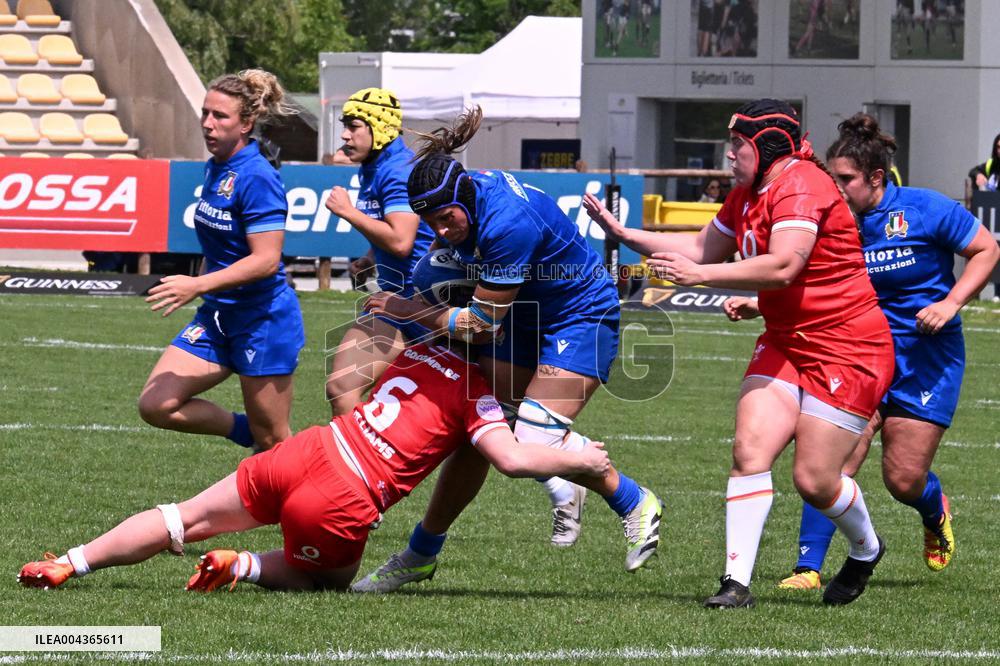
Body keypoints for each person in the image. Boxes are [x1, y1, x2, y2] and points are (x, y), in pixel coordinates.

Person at [17, 266, 614, 593]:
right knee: (330, 576)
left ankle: (72, 561)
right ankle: (243, 566)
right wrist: (582, 462)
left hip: (309, 450)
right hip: (343, 497)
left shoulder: (416, 350)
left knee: (182, 516)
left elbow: (358, 368)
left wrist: (396, 311)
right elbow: (510, 459)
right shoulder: (479, 397)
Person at [584, 99, 896, 608]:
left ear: (768, 145)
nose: (728, 154)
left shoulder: (800, 182)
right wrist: (623, 234)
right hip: (786, 340)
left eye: (736, 144)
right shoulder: (750, 192)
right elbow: (703, 248)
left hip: (847, 346)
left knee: (814, 481)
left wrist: (705, 279)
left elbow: (784, 266)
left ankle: (866, 548)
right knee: (749, 452)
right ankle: (736, 584)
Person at [350, 106, 663, 592]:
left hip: (580, 315)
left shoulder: (504, 225)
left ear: (463, 198)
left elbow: (476, 325)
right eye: (429, 220)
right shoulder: (466, 192)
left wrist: (405, 308)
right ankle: (420, 553)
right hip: (525, 309)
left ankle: (631, 498)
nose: (438, 230)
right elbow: (465, 285)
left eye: (445, 218)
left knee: (533, 442)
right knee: (479, 428)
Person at [725, 113, 998, 592]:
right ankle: (808, 567)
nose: (837, 187)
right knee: (832, 462)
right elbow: (807, 277)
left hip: (925, 357)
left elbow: (987, 249)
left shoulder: (924, 208)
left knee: (903, 478)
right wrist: (756, 301)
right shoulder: (829, 216)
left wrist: (951, 302)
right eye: (833, 177)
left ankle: (934, 511)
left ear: (875, 178)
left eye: (846, 179)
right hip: (854, 350)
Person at [138, 69, 303, 452]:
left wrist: (195, 285)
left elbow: (266, 261)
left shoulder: (257, 176)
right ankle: (249, 432)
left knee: (275, 444)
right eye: (205, 113)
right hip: (217, 317)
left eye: (220, 116)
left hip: (262, 321)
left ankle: (326, 506)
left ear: (246, 123)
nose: (208, 124)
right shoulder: (217, 165)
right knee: (155, 405)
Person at [323, 88, 435, 416]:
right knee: (342, 387)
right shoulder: (375, 166)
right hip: (394, 304)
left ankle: (564, 460)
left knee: (471, 420)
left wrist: (348, 212)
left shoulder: (398, 170)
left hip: (429, 308)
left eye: (353, 125)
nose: (344, 134)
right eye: (345, 125)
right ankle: (353, 466)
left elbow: (401, 240)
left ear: (380, 128)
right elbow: (394, 227)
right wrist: (371, 257)